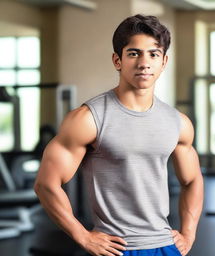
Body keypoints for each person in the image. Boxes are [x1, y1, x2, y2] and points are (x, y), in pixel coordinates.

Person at [34, 14, 204, 256]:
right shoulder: (88, 118)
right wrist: (82, 236)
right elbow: (46, 183)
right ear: (117, 60)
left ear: (164, 62)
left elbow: (192, 180)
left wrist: (188, 233)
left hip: (166, 246)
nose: (144, 63)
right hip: (116, 248)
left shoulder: (178, 122)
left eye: (153, 54)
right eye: (134, 53)